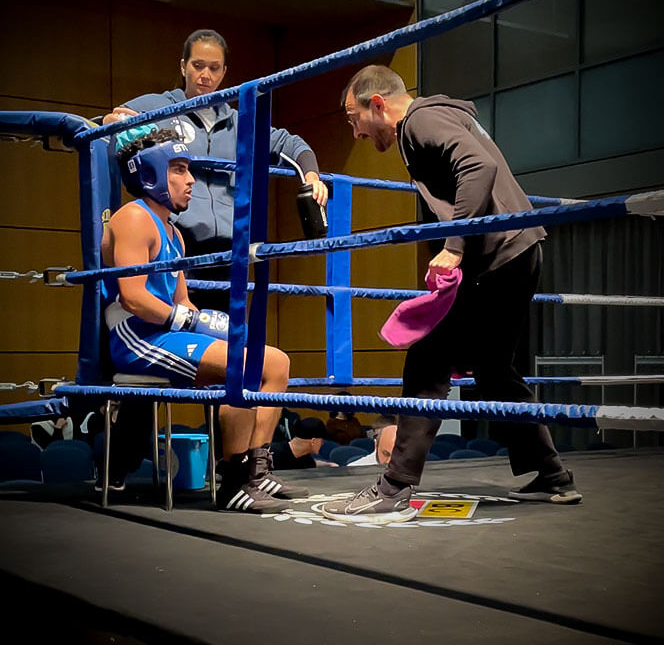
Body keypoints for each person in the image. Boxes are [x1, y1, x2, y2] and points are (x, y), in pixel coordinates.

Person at [322, 65, 581, 525]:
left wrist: (454, 246)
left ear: (377, 104)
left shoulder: (420, 120)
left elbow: (478, 167)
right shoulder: (432, 120)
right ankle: (553, 475)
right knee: (495, 371)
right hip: (515, 251)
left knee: (428, 360)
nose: (356, 131)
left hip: (499, 254)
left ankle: (395, 486)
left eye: (353, 118)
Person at [101, 124, 308, 512]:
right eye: (178, 169)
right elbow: (132, 297)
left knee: (275, 363)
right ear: (150, 172)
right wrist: (188, 322)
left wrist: (209, 323)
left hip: (165, 331)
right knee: (240, 368)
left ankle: (255, 472)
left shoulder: (173, 234)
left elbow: (184, 302)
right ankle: (232, 483)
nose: (190, 180)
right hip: (138, 338)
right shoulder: (133, 218)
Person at [103, 28, 328, 311]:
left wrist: (311, 175)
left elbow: (291, 143)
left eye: (213, 68)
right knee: (179, 326)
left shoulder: (240, 121)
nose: (205, 75)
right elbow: (110, 122)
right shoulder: (158, 107)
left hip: (227, 248)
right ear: (183, 66)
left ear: (224, 72)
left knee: (224, 335)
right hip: (176, 240)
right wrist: (114, 122)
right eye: (197, 66)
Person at [269, 417, 336, 470]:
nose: (323, 443)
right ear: (313, 441)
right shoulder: (272, 454)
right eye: (322, 440)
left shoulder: (304, 458)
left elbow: (312, 463)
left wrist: (329, 464)